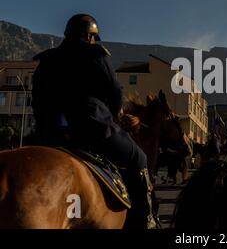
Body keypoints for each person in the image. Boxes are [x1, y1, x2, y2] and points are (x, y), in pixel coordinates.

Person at [32, 14, 155, 229]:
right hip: (92, 129)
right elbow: (114, 91)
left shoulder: (46, 60)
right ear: (90, 36)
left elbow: (37, 101)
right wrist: (115, 116)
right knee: (139, 159)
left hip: (49, 133)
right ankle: (146, 220)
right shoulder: (95, 54)